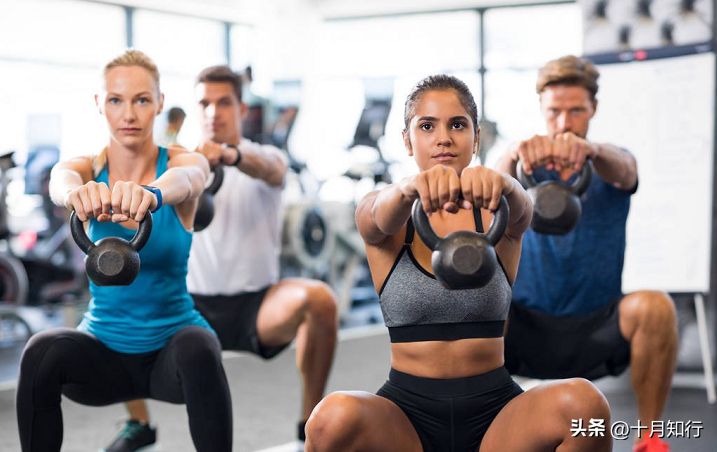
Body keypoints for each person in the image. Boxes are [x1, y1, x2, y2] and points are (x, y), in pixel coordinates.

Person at [305, 74, 612, 452]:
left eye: (457, 124)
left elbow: (524, 210)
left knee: (586, 409)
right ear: (407, 139)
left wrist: (505, 184)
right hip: (406, 418)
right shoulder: (387, 212)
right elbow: (374, 216)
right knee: (329, 419)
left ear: (476, 137)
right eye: (427, 125)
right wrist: (408, 189)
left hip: (496, 413)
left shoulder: (498, 213)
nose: (443, 138)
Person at [109, 65, 338, 452]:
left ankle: (309, 426)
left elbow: (272, 169)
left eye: (224, 102)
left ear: (241, 108)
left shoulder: (263, 156)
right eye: (205, 103)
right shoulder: (174, 165)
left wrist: (230, 156)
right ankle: (139, 425)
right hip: (190, 309)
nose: (214, 112)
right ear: (194, 110)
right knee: (114, 298)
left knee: (320, 300)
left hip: (257, 306)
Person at [15, 49, 232, 452]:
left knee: (199, 347)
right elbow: (59, 181)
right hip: (103, 355)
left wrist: (152, 194)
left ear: (159, 104)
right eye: (116, 100)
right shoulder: (86, 168)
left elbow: (192, 177)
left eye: (141, 100)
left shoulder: (180, 163)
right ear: (100, 104)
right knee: (41, 351)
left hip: (174, 356)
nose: (128, 114)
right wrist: (77, 195)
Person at [494, 55, 677, 452]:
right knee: (479, 303)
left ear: (593, 108)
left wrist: (590, 150)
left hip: (597, 328)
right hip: (525, 329)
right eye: (554, 112)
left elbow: (626, 169)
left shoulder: (609, 162)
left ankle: (649, 440)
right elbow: (491, 183)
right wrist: (513, 152)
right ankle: (480, 429)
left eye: (576, 110)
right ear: (542, 110)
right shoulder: (520, 168)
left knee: (656, 307)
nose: (564, 123)